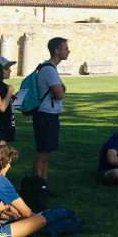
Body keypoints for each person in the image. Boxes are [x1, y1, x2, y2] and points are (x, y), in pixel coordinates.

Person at [33, 37, 69, 183]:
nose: (68, 51)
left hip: (48, 115)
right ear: (56, 51)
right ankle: (36, 185)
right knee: (42, 154)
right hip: (46, 116)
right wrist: (61, 89)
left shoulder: (50, 68)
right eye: (65, 48)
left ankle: (43, 184)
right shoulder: (49, 69)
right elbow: (59, 94)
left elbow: (59, 90)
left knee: (46, 153)